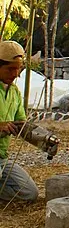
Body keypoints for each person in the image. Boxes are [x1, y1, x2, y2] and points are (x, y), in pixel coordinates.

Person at [0, 41, 39, 204]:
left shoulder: (14, 92)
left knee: (29, 193)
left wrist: (44, 138)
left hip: (1, 157)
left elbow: (21, 124)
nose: (16, 74)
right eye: (10, 69)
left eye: (19, 69)